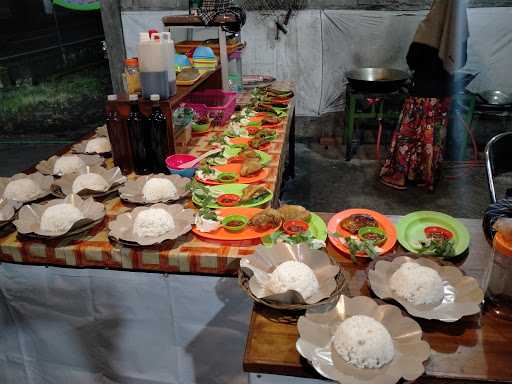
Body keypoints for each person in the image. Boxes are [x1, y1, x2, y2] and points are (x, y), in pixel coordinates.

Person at [379, 0, 468, 191]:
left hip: (421, 93)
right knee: (432, 137)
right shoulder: (457, 31)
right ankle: (426, 177)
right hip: (443, 94)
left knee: (409, 135)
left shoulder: (428, 29)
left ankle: (401, 175)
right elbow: (459, 62)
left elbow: (412, 60)